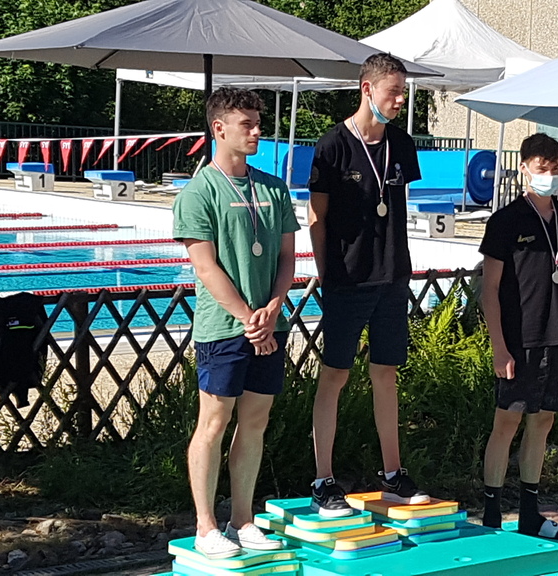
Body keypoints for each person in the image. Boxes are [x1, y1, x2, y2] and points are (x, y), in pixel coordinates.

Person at [173, 87, 299, 558]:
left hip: (270, 325)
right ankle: (206, 525)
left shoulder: (273, 188)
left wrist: (274, 307)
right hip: (224, 328)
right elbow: (205, 267)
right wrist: (249, 318)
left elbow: (287, 257)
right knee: (214, 421)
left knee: (255, 421)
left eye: (258, 123)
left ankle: (243, 519)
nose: (257, 131)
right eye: (247, 124)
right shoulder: (198, 192)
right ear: (219, 128)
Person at [307, 52, 427, 517]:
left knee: (386, 373)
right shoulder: (333, 145)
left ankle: (393, 473)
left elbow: (394, 203)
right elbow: (316, 217)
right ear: (367, 89)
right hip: (347, 278)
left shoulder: (401, 144)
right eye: (393, 92)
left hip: (392, 276)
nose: (400, 100)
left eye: (403, 92)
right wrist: (327, 273)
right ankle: (323, 479)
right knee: (335, 375)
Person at [478, 133, 558, 539]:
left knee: (543, 420)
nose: (550, 175)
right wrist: (499, 346)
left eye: (556, 168)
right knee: (506, 421)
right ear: (525, 168)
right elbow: (490, 289)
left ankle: (530, 513)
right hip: (519, 338)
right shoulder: (506, 221)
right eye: (543, 168)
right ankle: (492, 515)